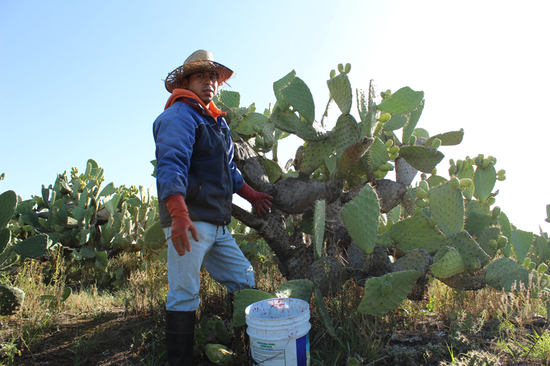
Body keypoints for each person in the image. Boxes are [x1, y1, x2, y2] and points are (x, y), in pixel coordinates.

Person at [153, 50, 273, 365]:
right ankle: (180, 361)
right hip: (189, 222)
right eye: (201, 76)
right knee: (184, 293)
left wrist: (252, 196)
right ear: (186, 81)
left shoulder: (217, 123)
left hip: (217, 224)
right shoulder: (179, 116)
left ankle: (250, 350)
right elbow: (171, 165)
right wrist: (178, 214)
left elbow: (230, 173)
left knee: (244, 278)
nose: (209, 82)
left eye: (212, 77)